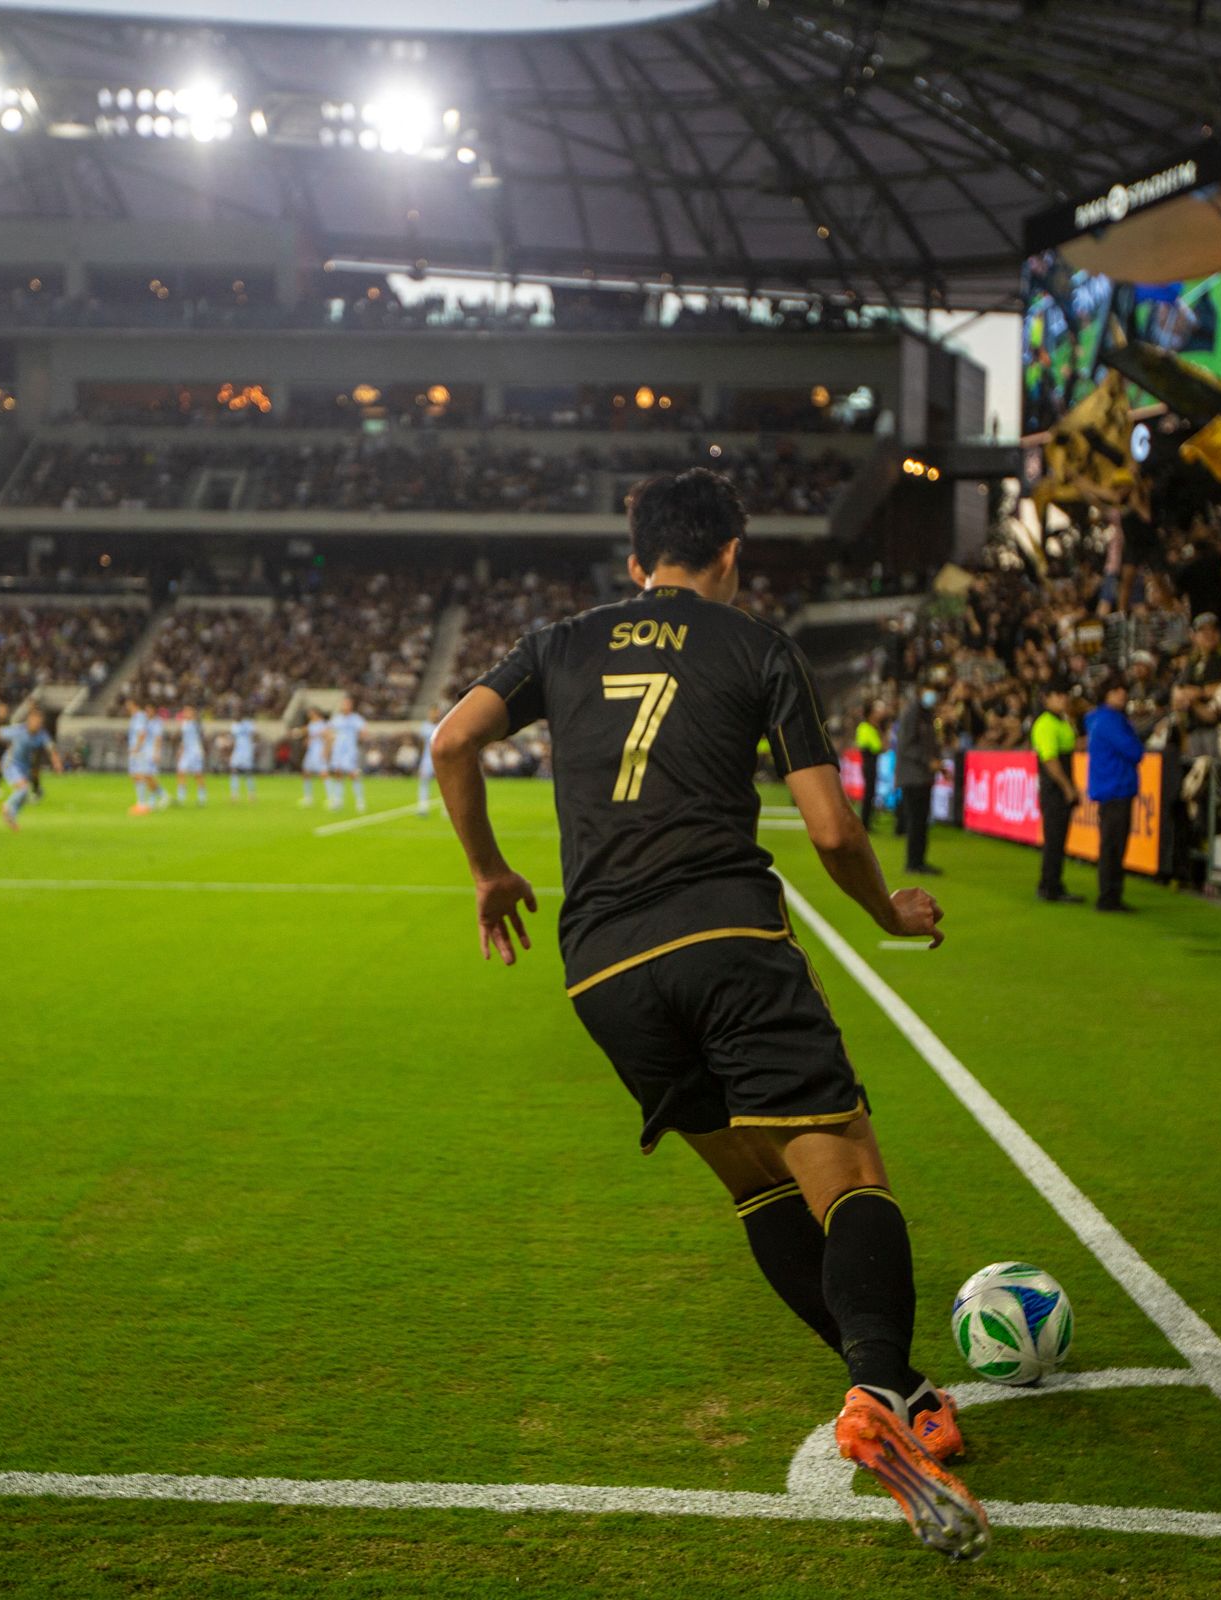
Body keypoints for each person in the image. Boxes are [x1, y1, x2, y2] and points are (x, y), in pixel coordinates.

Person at [427, 467, 985, 1560]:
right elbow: (828, 828)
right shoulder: (760, 647)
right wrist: (886, 906)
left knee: (759, 1178)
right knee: (846, 1169)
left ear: (638, 559)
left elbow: (451, 741)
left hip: (602, 969)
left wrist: (491, 872)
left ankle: (899, 1386)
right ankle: (876, 1387)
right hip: (724, 936)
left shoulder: (559, 641)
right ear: (733, 553)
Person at [1083, 678, 1144, 913]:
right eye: (1117, 690)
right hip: (1116, 787)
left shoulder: (1097, 719)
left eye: (1123, 689)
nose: (1122, 694)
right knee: (1114, 846)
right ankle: (1109, 896)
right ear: (1107, 693)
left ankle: (1109, 894)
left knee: (1110, 844)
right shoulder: (1111, 721)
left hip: (1108, 787)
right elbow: (1134, 751)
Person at [1032, 683, 1081, 904]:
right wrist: (1067, 787)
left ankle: (1052, 883)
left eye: (1064, 694)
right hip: (1054, 790)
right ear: (1047, 698)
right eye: (1058, 694)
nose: (1063, 698)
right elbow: (1050, 760)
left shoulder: (1061, 721)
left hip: (1057, 788)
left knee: (1058, 839)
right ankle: (1050, 886)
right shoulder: (1046, 724)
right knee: (1054, 839)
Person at [891, 684, 942, 876]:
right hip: (913, 777)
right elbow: (906, 745)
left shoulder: (926, 715)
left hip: (922, 777)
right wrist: (928, 761)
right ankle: (914, 862)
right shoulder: (912, 714)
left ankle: (919, 861)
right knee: (916, 820)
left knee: (921, 820)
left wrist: (936, 764)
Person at [0, 706, 65, 832]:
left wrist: (57, 763)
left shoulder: (41, 735)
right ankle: (7, 807)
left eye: (39, 722)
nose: (37, 724)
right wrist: (0, 718)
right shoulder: (19, 730)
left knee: (24, 795)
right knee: (23, 788)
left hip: (24, 767)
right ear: (29, 720)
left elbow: (51, 749)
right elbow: (0, 732)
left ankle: (12, 816)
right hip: (11, 764)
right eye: (35, 721)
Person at [852, 700, 886, 832]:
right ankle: (865, 822)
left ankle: (866, 821)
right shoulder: (866, 728)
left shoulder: (867, 727)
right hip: (869, 763)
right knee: (869, 794)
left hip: (870, 763)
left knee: (870, 793)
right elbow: (877, 746)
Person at [329, 694, 366, 812]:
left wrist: (359, 741)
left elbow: (363, 731)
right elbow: (329, 731)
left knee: (353, 774)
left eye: (347, 704)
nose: (344, 706)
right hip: (338, 750)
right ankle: (338, 800)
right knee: (338, 773)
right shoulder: (337, 718)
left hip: (350, 751)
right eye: (343, 703)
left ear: (351, 706)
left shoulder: (356, 718)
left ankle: (360, 801)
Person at [126, 698, 163, 815]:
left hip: (141, 751)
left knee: (141, 775)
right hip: (138, 750)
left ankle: (143, 803)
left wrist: (137, 747)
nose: (127, 707)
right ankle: (145, 802)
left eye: (129, 705)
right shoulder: (136, 717)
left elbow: (142, 733)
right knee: (136, 776)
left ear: (135, 705)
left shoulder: (140, 717)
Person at [173, 705, 208, 807]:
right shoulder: (184, 724)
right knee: (181, 772)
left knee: (198, 775)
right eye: (184, 711)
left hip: (195, 752)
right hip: (186, 752)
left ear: (193, 712)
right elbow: (184, 739)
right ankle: (181, 799)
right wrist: (180, 749)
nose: (185, 713)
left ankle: (202, 798)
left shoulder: (196, 724)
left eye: (188, 711)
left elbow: (200, 735)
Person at [298, 707, 329, 806]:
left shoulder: (323, 724)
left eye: (311, 713)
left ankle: (331, 796)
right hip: (311, 752)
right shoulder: (311, 724)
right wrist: (307, 740)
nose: (309, 715)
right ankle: (308, 797)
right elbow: (307, 732)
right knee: (306, 772)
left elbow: (327, 737)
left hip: (319, 751)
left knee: (323, 774)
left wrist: (325, 751)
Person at [227, 712, 258, 802]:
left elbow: (255, 736)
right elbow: (233, 740)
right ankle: (234, 795)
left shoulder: (248, 724)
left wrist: (254, 747)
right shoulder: (234, 725)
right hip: (237, 751)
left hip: (247, 751)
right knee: (234, 770)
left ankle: (251, 795)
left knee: (248, 772)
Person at [416, 714, 440, 816]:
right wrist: (421, 758)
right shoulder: (425, 726)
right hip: (427, 760)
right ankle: (423, 808)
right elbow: (421, 743)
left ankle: (447, 810)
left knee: (444, 785)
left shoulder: (441, 726)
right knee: (424, 782)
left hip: (440, 759)